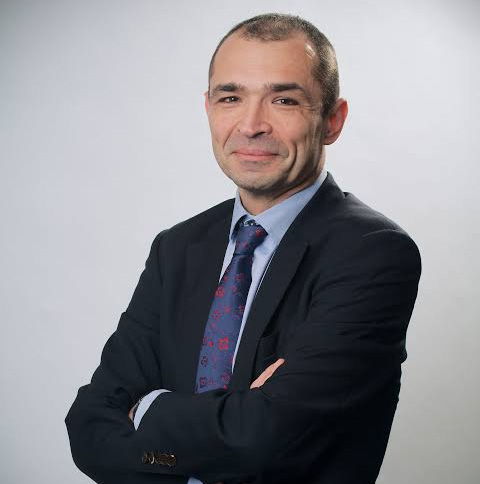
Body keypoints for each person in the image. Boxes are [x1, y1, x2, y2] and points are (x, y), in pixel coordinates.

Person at [65, 13, 421, 484]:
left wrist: (147, 409)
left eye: (284, 100)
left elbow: (265, 439)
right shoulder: (178, 248)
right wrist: (230, 422)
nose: (251, 125)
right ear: (209, 108)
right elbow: (89, 427)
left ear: (332, 121)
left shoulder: (373, 253)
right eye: (230, 97)